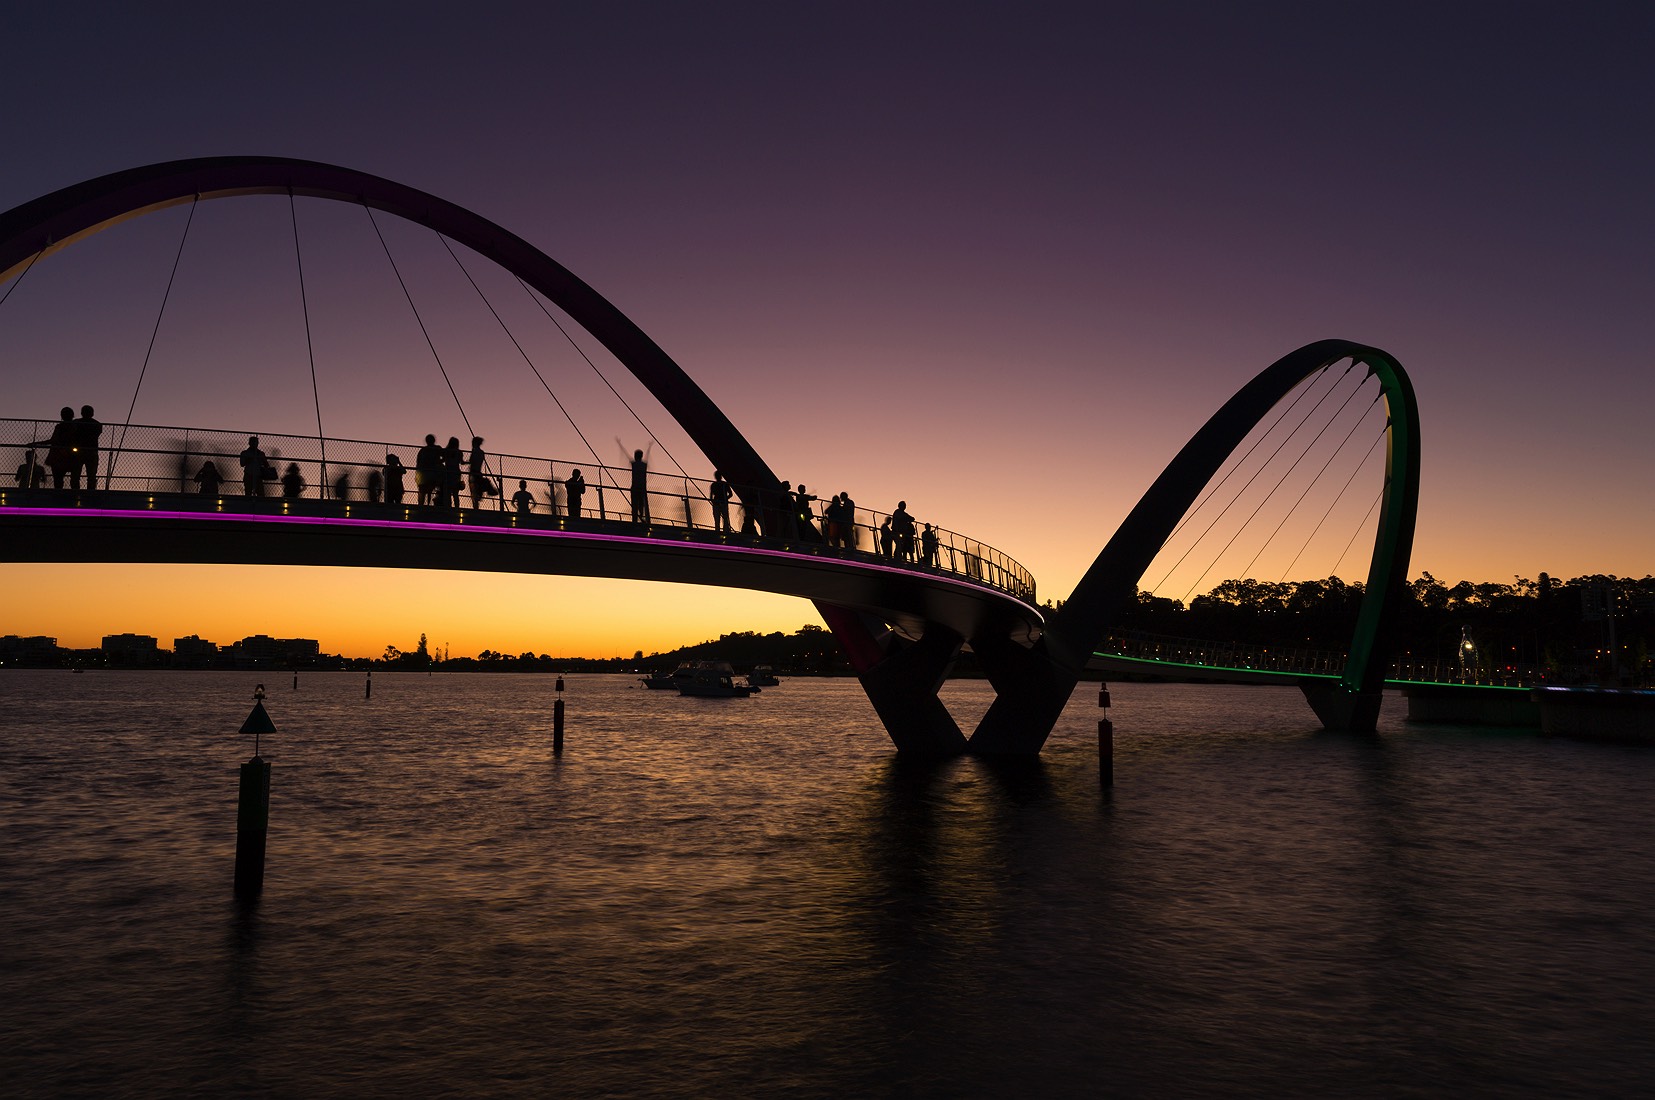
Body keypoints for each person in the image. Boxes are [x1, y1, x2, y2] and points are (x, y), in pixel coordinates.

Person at [70, 405, 102, 489]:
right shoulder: (97, 424)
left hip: (80, 451)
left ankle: (75, 491)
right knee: (90, 475)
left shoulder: (76, 423)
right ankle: (89, 492)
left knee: (76, 474)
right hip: (91, 451)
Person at [44, 407, 75, 488]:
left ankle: (58, 494)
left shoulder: (60, 427)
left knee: (58, 478)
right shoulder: (75, 426)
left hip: (57, 455)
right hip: (70, 454)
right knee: (74, 477)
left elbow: (53, 440)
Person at [415, 434, 442, 505]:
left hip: (426, 473)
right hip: (431, 473)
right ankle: (425, 504)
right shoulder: (435, 449)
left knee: (424, 490)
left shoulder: (423, 450)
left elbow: (418, 462)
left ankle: (422, 504)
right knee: (427, 490)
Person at [467, 436, 494, 509]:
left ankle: (475, 506)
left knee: (473, 491)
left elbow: (471, 461)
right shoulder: (482, 452)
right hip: (479, 472)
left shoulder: (475, 451)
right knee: (477, 489)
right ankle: (476, 505)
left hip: (473, 473)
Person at [628, 446, 650, 524]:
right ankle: (642, 517)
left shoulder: (634, 464)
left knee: (634, 504)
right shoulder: (644, 465)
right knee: (641, 504)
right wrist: (649, 447)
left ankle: (634, 520)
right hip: (642, 487)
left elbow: (629, 458)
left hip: (635, 487)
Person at [440, 437, 463, 507]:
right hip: (456, 472)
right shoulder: (459, 452)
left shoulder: (447, 451)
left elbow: (443, 460)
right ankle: (457, 507)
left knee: (448, 492)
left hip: (448, 472)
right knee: (455, 493)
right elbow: (461, 462)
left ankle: (448, 507)